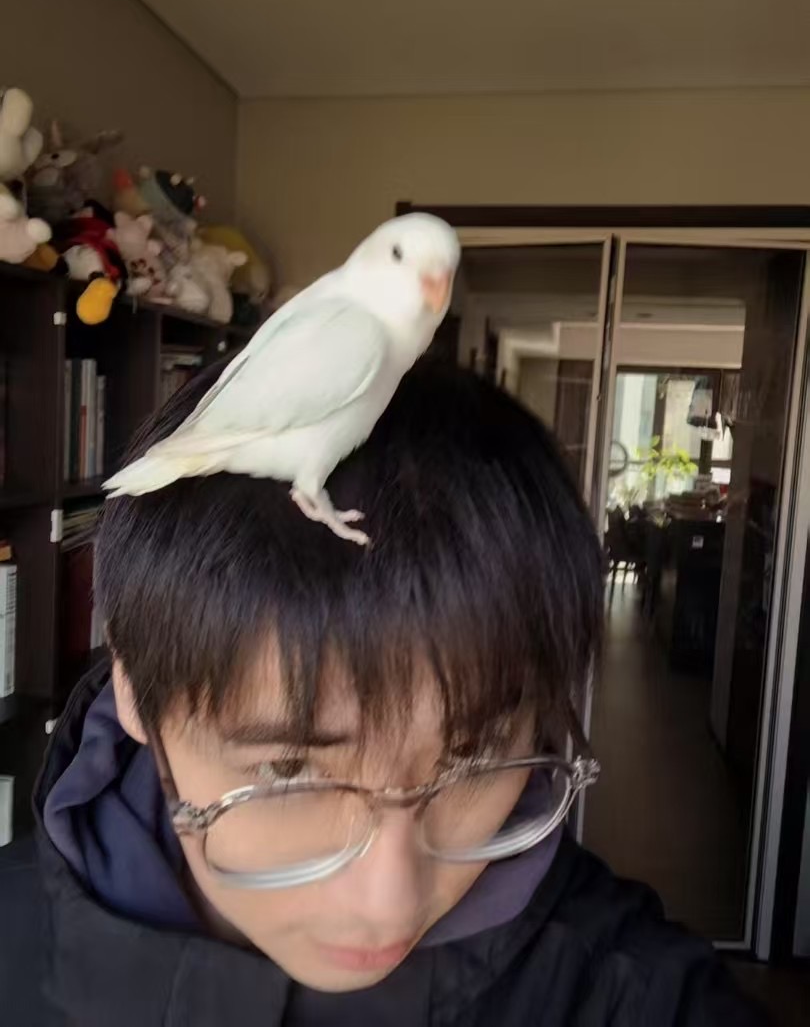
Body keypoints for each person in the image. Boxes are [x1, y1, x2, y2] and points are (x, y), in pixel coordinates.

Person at [0, 358, 765, 1026]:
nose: (388, 903)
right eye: (289, 771)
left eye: (472, 757)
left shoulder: (627, 990)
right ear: (135, 692)